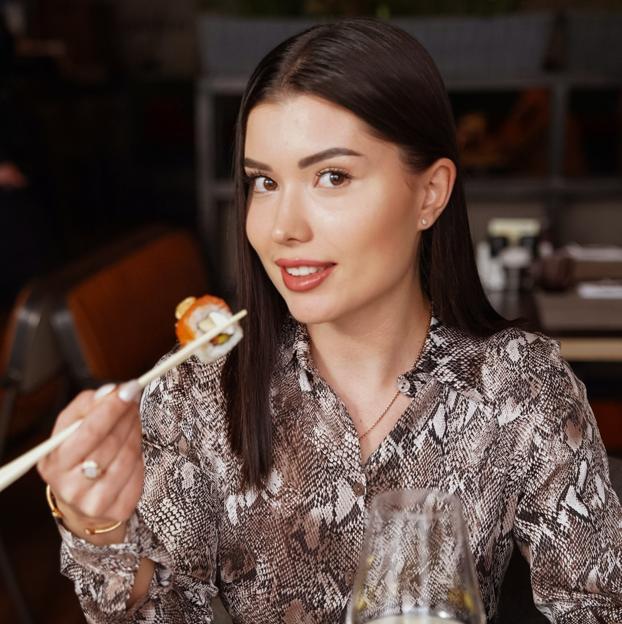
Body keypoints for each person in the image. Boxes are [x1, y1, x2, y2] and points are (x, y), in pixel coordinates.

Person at [37, 18, 622, 623]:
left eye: (331, 177)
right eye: (264, 182)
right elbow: (154, 614)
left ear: (430, 194)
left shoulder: (518, 386)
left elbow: (599, 606)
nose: (283, 226)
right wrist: (98, 526)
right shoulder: (196, 395)